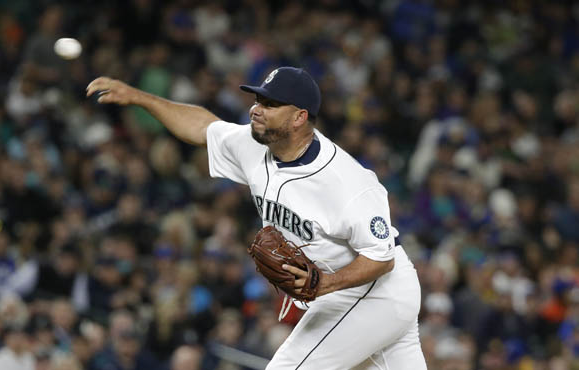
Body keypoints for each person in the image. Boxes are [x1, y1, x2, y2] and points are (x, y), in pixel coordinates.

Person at [87, 66, 427, 369]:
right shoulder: (253, 145)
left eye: (269, 104)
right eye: (257, 100)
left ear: (299, 118)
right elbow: (204, 128)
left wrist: (326, 284)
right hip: (360, 295)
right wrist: (140, 98)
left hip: (373, 292)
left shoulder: (348, 183)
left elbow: (381, 258)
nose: (256, 109)